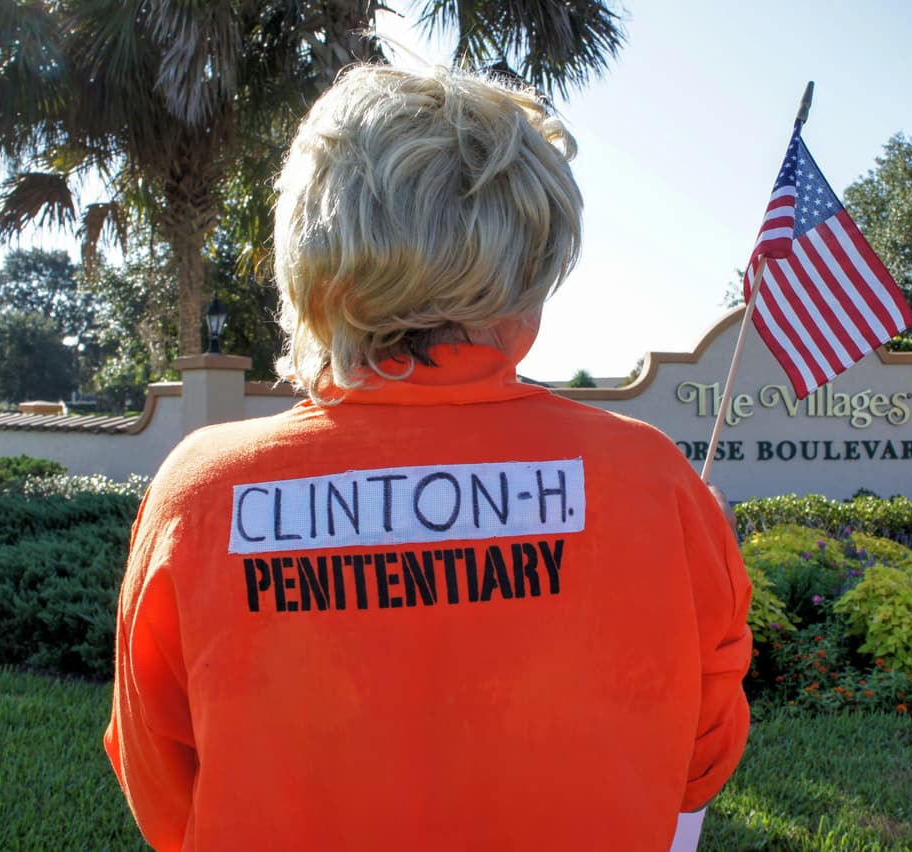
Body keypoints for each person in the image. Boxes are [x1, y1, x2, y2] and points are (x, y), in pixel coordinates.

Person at [105, 63, 752, 852]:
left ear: (311, 256)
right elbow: (702, 759)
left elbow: (163, 793)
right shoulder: (656, 483)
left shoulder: (200, 496)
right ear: (530, 272)